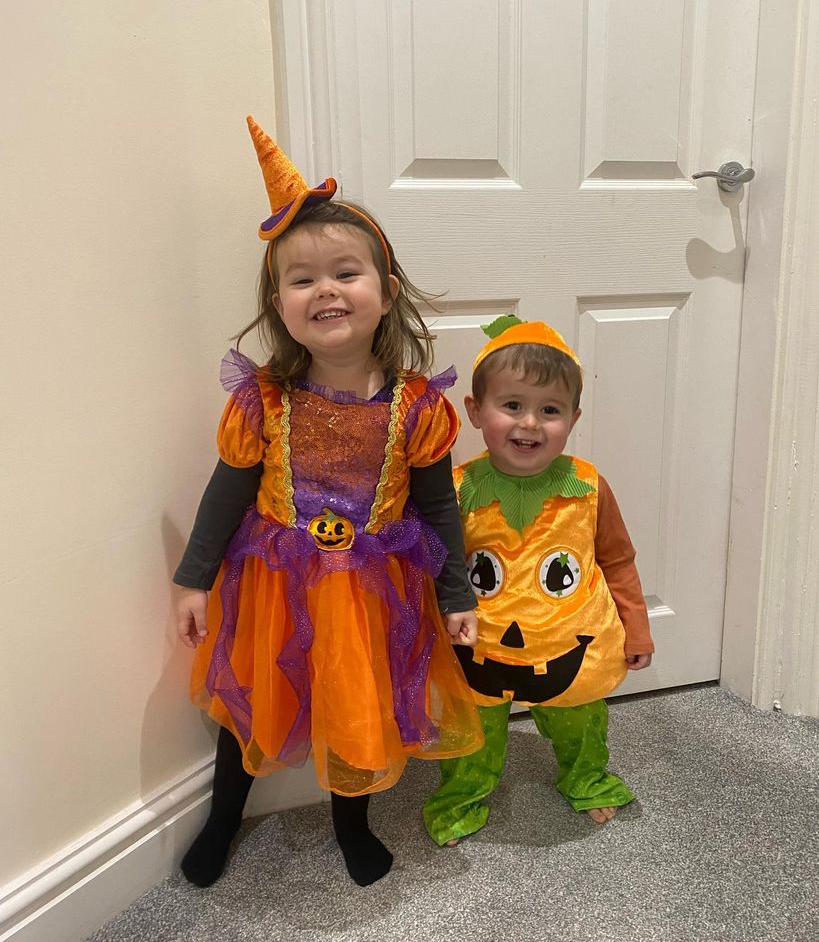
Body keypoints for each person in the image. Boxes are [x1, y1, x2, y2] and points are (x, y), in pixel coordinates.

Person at [173, 117, 482, 888]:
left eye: (345, 272)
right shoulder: (264, 402)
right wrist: (192, 577)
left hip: (374, 591)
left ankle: (353, 822)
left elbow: (439, 507)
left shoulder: (417, 406)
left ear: (386, 292)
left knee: (358, 706)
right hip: (274, 586)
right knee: (250, 705)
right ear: (278, 302)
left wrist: (453, 597)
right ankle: (223, 817)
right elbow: (225, 492)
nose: (325, 290)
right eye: (301, 279)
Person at [423, 316, 654, 846]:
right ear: (475, 412)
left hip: (570, 640)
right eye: (512, 405)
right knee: (473, 732)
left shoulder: (588, 486)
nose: (530, 423)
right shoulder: (455, 490)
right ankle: (460, 797)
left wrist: (636, 629)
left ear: (572, 417)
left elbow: (617, 561)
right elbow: (441, 572)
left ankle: (586, 778)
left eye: (549, 410)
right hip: (480, 641)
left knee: (581, 722)